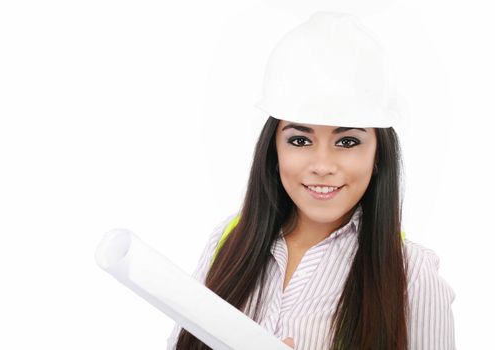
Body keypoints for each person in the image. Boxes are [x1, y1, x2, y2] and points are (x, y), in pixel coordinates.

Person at [167, 11, 455, 350]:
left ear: (378, 155)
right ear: (273, 150)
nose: (322, 165)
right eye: (300, 140)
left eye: (347, 141)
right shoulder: (227, 242)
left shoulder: (413, 275)